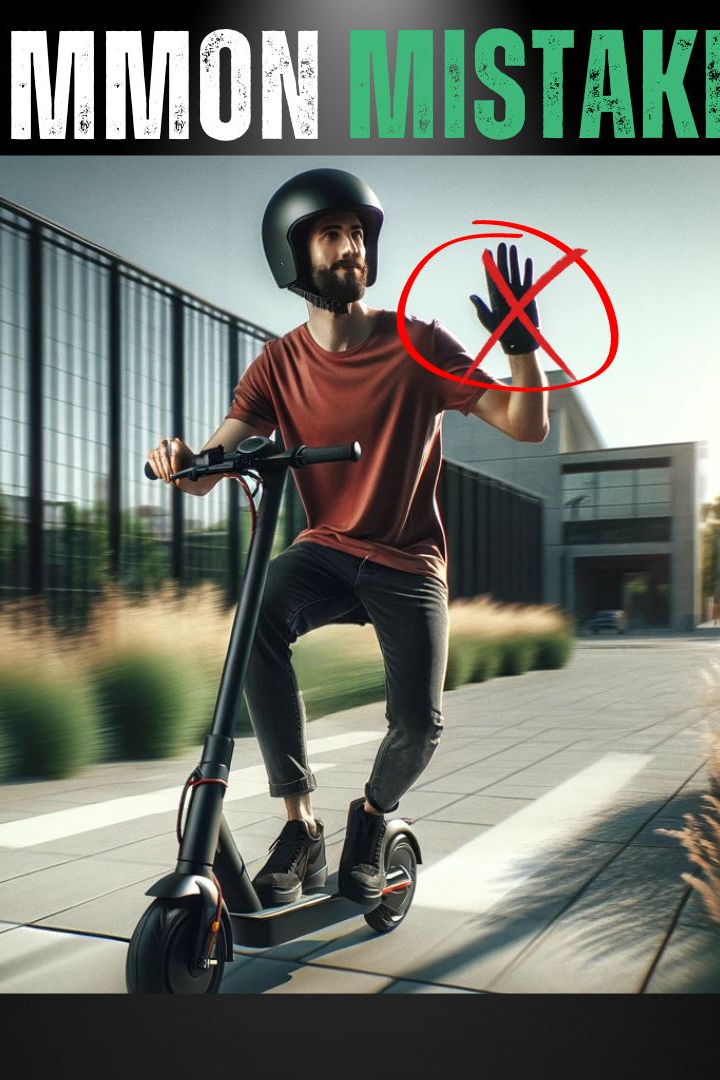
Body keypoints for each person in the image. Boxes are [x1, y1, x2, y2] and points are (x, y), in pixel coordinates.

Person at [147, 168, 549, 906]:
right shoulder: (277, 365)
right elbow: (213, 463)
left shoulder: (419, 343)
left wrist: (520, 344)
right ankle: (301, 827)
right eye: (332, 233)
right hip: (327, 550)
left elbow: (527, 423)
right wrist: (180, 462)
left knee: (419, 725)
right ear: (295, 257)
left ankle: (369, 819)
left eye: (358, 234)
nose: (350, 247)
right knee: (257, 619)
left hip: (408, 560)